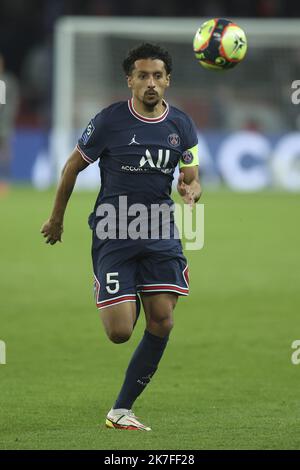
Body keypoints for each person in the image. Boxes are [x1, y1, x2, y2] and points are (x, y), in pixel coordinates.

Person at [41, 43, 202, 431]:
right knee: (119, 332)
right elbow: (71, 168)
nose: (151, 83)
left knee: (162, 321)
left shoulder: (181, 125)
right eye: (143, 76)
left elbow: (191, 177)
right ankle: (115, 285)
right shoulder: (109, 121)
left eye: (158, 76)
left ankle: (120, 410)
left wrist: (192, 192)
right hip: (115, 231)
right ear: (129, 80)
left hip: (160, 231)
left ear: (168, 81)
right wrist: (57, 219)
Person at [0, 53, 19, 193]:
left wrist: (8, 117)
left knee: (5, 153)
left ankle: (5, 181)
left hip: (4, 124)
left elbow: (12, 102)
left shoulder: (8, 81)